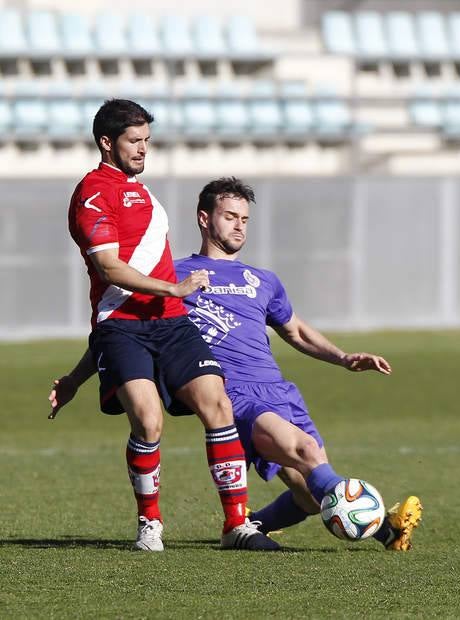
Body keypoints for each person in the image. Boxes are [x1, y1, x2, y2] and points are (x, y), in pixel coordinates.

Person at [54, 176, 423, 551]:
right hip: (232, 394)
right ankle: (385, 528)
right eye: (229, 216)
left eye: (244, 219)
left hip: (278, 391)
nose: (239, 225)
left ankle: (246, 526)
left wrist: (343, 358)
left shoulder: (263, 279)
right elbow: (123, 329)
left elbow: (295, 331)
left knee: (311, 497)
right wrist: (75, 378)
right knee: (307, 453)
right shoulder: (174, 275)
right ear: (204, 219)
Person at [65, 99, 276, 552]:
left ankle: (236, 524)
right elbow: (109, 268)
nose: (144, 149)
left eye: (147, 141)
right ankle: (150, 523)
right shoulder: (93, 193)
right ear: (107, 142)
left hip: (170, 323)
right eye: (134, 141)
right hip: (121, 325)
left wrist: (170, 300)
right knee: (147, 420)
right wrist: (174, 289)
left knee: (216, 404)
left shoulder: (142, 193)